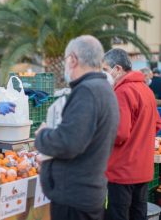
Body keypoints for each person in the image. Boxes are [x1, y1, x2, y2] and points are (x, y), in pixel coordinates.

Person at [35, 35, 119, 220]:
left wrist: (43, 135)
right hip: (86, 194)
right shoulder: (104, 89)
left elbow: (68, 143)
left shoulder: (87, 91)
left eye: (66, 60)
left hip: (74, 199)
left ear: (72, 59)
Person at [102, 48, 161, 220]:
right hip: (142, 169)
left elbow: (119, 134)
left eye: (106, 70)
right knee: (138, 214)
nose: (104, 75)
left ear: (118, 69)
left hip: (121, 171)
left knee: (117, 215)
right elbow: (157, 123)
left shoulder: (122, 92)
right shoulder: (146, 90)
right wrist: (140, 138)